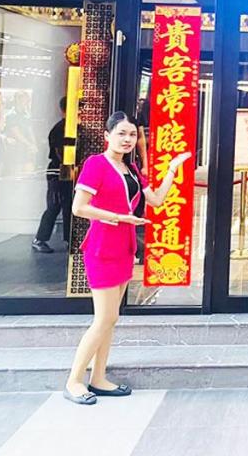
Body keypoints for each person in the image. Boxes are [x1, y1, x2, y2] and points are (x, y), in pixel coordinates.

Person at [63, 111, 191, 405]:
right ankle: (74, 381)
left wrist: (172, 169)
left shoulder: (131, 169)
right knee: (104, 318)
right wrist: (119, 217)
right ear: (107, 136)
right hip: (102, 247)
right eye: (121, 133)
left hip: (124, 247)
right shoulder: (96, 164)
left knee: (111, 319)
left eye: (132, 134)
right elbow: (79, 207)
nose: (127, 139)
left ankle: (98, 378)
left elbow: (156, 199)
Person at [32, 98, 70, 253]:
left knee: (68, 205)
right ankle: (40, 238)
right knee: (55, 205)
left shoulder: (71, 127)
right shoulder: (60, 128)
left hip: (66, 170)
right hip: (58, 171)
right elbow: (59, 152)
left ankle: (69, 239)